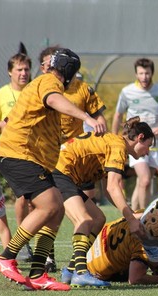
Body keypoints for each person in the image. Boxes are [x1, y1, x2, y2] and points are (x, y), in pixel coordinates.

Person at [0, 48, 106, 291]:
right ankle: (6, 257)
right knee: (50, 205)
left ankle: (38, 272)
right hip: (18, 154)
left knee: (56, 211)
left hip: (29, 158)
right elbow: (53, 100)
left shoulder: (48, 83)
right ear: (70, 73)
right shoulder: (48, 82)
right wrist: (89, 118)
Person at [56, 117, 154, 287]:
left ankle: (70, 270)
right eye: (148, 146)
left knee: (98, 218)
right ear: (140, 138)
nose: (148, 152)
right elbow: (113, 187)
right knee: (85, 220)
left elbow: (108, 189)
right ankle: (80, 272)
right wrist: (131, 220)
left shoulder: (113, 143)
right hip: (58, 172)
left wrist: (130, 213)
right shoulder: (118, 146)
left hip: (64, 176)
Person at [38, 45, 108, 272]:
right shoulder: (41, 88)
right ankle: (46, 258)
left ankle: (78, 260)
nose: (52, 69)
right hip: (47, 156)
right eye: (48, 65)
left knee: (89, 210)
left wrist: (99, 130)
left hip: (76, 158)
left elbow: (99, 117)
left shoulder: (83, 89)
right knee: (49, 206)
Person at [0, 43, 33, 262]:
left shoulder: (35, 92)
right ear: (10, 71)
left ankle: (31, 243)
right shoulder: (0, 95)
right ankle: (22, 245)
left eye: (26, 69)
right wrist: (4, 123)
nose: (23, 73)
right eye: (19, 70)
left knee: (39, 200)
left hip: (35, 151)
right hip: (10, 152)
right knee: (23, 196)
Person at [112, 58, 158, 210]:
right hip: (136, 144)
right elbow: (118, 116)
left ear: (152, 73)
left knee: (144, 183)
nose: (144, 77)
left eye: (147, 73)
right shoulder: (127, 92)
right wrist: (114, 139)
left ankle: (133, 216)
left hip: (154, 144)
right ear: (136, 74)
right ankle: (144, 217)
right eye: (141, 73)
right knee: (145, 179)